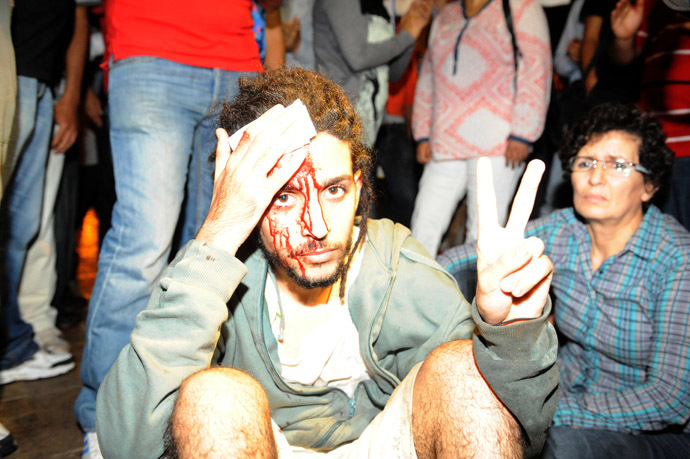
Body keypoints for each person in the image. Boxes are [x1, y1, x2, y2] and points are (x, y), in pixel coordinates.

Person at [96, 68, 559, 458]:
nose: (315, 225)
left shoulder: (396, 267)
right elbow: (127, 446)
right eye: (285, 196)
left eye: (334, 190)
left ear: (359, 188)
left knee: (463, 371)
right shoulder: (214, 276)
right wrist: (217, 235)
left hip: (384, 444)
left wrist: (512, 337)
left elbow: (519, 429)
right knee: (214, 397)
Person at [74, 2, 280, 453]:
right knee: (142, 244)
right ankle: (103, 420)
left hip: (238, 61)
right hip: (150, 50)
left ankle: (189, 404)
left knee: (219, 249)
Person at [441, 103, 690, 458]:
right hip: (566, 391)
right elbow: (456, 260)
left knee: (555, 447)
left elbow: (669, 398)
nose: (596, 177)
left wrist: (548, 413)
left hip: (652, 428)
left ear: (649, 186)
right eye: (586, 162)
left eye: (618, 165)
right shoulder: (563, 230)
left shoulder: (676, 259)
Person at [410, 0, 552, 255]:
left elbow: (537, 66)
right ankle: (415, 292)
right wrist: (422, 134)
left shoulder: (521, 6)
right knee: (423, 227)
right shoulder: (447, 15)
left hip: (499, 141)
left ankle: (474, 295)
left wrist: (524, 132)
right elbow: (429, 75)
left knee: (483, 234)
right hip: (444, 139)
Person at [609, 0, 690, 231]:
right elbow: (623, 63)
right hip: (654, 143)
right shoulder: (649, 3)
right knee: (658, 238)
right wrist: (624, 39)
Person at [313, 0, 432, 145]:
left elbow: (393, 73)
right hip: (339, 120)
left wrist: (413, 32)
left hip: (370, 124)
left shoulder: (380, 6)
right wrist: (406, 37)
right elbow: (358, 58)